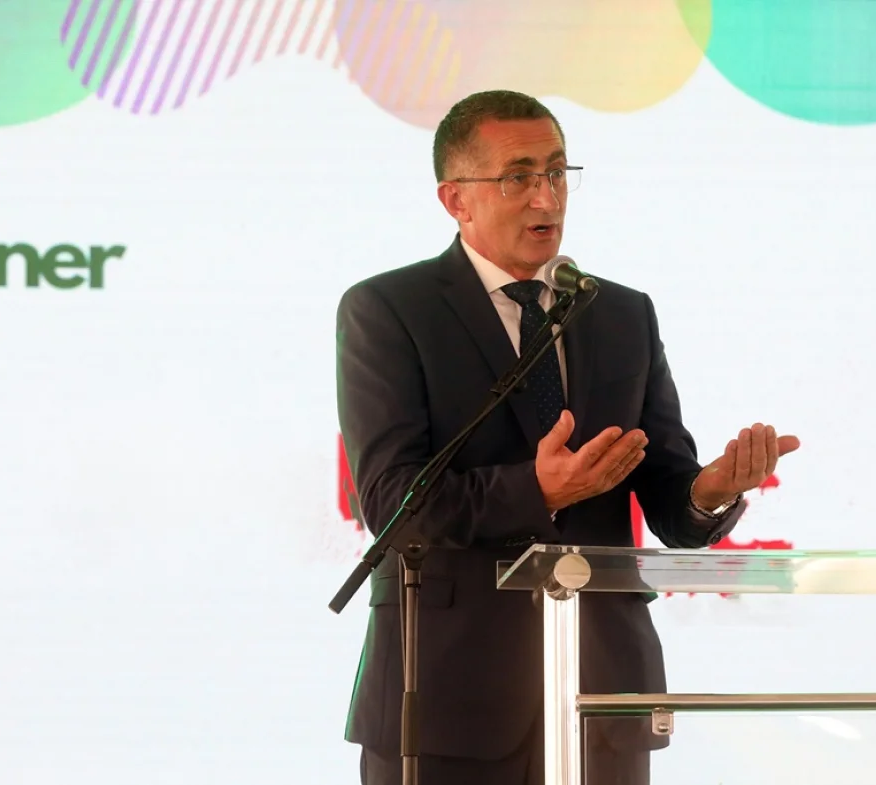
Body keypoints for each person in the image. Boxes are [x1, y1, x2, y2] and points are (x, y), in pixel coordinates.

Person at [336, 89, 800, 785]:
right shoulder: (389, 311)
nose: (545, 196)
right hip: (445, 698)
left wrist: (710, 492)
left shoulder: (621, 314)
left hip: (600, 692)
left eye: (556, 172)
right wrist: (538, 489)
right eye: (518, 176)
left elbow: (670, 496)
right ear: (456, 199)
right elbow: (392, 504)